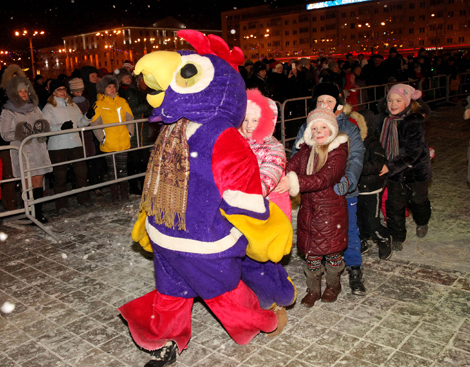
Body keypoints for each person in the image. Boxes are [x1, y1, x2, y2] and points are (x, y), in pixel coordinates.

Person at [291, 83, 366, 296]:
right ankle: (315, 277)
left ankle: (353, 268)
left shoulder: (348, 127)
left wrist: (349, 181)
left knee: (347, 232)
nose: (324, 105)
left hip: (342, 192)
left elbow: (356, 156)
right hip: (313, 194)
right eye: (320, 101)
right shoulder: (309, 125)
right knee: (314, 233)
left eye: (329, 101)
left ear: (339, 105)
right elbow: (298, 153)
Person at [277, 108, 349, 307]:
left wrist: (293, 182)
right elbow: (290, 166)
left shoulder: (338, 152)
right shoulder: (306, 151)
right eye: (315, 128)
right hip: (309, 213)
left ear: (332, 130)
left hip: (331, 213)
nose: (319, 132)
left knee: (333, 252)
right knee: (312, 254)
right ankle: (313, 289)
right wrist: (277, 174)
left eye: (324, 127)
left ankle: (333, 285)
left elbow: (324, 178)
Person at [238, 89, 295, 336]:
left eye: (255, 121)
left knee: (263, 260)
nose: (250, 126)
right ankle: (257, 301)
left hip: (268, 213)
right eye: (246, 120)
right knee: (243, 260)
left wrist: (245, 194)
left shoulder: (273, 146)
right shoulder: (234, 141)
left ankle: (276, 302)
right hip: (238, 212)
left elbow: (268, 175)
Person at [377, 84, 432, 250]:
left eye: (398, 100)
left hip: (415, 172)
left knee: (417, 201)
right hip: (394, 173)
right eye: (390, 100)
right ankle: (397, 236)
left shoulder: (414, 122)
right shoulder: (384, 121)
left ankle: (422, 221)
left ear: (407, 102)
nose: (393, 104)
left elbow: (412, 152)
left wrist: (389, 166)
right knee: (394, 205)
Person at [0, 76, 52, 223]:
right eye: (20, 91)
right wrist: (21, 133)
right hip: (23, 151)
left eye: (25, 91)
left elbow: (44, 123)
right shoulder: (8, 112)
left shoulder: (34, 108)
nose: (23, 94)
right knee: (27, 181)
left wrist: (42, 128)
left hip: (38, 149)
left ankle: (37, 212)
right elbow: (4, 134)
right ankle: (29, 212)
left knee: (38, 179)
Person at [42, 79, 93, 214]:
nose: (62, 92)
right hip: (58, 145)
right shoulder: (49, 108)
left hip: (75, 143)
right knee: (60, 176)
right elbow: (46, 127)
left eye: (64, 89)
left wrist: (88, 117)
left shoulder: (72, 105)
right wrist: (60, 128)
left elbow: (80, 123)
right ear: (53, 92)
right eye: (59, 90)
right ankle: (61, 204)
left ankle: (83, 198)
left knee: (81, 172)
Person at [355, 109, 392, 260]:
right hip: (354, 189)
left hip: (371, 189)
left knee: (371, 221)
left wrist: (356, 168)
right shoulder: (349, 142)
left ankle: (383, 238)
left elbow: (377, 163)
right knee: (357, 220)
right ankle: (362, 240)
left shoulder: (372, 142)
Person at [91, 74, 134, 203]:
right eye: (109, 87)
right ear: (103, 89)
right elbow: (95, 123)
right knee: (112, 171)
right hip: (109, 142)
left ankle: (125, 195)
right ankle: (115, 196)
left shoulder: (122, 101)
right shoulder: (99, 104)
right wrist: (102, 138)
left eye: (113, 86)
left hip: (123, 140)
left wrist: (129, 133)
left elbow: (130, 118)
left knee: (123, 170)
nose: (112, 89)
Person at [115, 68, 153, 196]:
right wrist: (148, 104)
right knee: (135, 159)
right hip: (135, 128)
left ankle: (143, 185)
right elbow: (132, 110)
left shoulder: (139, 91)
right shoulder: (130, 92)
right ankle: (134, 185)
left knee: (143, 158)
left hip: (142, 128)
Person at [68, 77, 103, 197]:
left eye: (80, 90)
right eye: (76, 90)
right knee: (78, 164)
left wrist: (89, 116)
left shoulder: (86, 100)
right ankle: (79, 188)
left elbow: (89, 115)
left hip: (87, 135)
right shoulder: (70, 103)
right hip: (76, 136)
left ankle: (94, 185)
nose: (79, 92)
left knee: (91, 161)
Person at [0, 65, 27, 212]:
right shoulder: (2, 97)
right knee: (10, 175)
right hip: (6, 141)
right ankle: (11, 206)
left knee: (24, 172)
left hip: (24, 141)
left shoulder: (24, 96)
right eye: (12, 77)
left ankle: (26, 204)